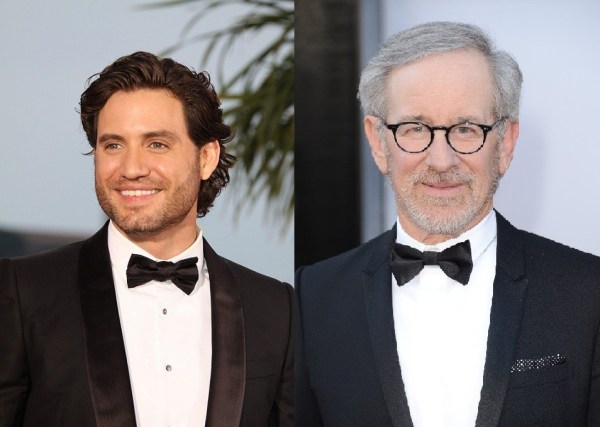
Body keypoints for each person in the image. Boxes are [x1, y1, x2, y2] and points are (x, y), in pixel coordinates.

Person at [294, 22, 600, 426]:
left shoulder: (587, 293)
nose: (441, 161)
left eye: (466, 129)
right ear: (378, 142)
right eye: (415, 129)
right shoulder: (311, 299)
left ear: (505, 143)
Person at [0, 51, 293, 427]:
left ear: (205, 158)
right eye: (113, 145)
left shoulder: (276, 309)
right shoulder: (24, 292)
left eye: (156, 144)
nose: (132, 169)